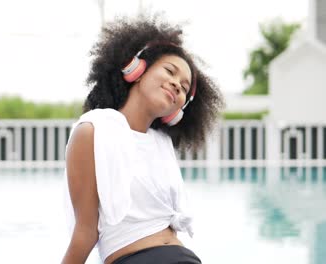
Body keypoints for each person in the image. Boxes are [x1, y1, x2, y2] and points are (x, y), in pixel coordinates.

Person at [61, 14, 224, 264]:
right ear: (137, 70)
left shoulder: (161, 144)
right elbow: (85, 231)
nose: (176, 85)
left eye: (183, 87)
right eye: (170, 71)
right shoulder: (93, 130)